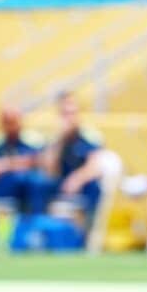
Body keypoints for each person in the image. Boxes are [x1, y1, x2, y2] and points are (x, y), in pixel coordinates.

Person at [40, 92, 105, 225]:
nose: (70, 118)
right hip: (59, 182)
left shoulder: (91, 137)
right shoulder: (54, 140)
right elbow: (49, 169)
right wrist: (61, 140)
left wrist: (77, 179)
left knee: (94, 187)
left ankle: (88, 230)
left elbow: (95, 167)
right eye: (65, 114)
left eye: (72, 113)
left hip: (82, 183)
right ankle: (41, 228)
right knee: (38, 184)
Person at [0, 105, 46, 216]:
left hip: (28, 193)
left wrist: (2, 165)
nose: (11, 127)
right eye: (7, 122)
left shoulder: (33, 142)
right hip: (2, 193)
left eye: (14, 121)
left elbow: (38, 162)